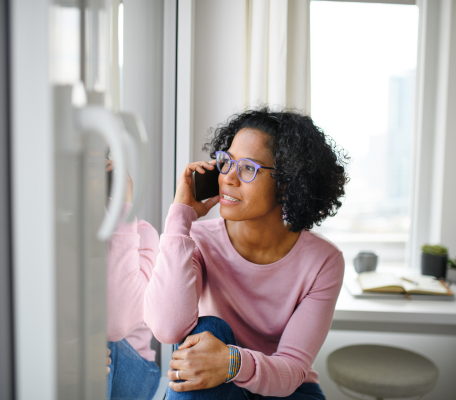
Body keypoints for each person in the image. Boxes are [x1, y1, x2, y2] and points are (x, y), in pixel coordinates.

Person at [144, 108, 350, 399]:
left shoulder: (323, 261)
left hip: (287, 390)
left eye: (247, 168)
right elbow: (167, 329)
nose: (228, 178)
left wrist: (232, 362)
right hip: (217, 385)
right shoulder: (198, 239)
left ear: (287, 182)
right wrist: (180, 217)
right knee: (209, 329)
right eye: (227, 162)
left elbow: (291, 369)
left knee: (211, 339)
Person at [105, 160, 161, 399]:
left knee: (100, 343)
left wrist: (123, 210)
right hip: (76, 360)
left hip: (137, 367)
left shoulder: (142, 234)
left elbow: (116, 324)